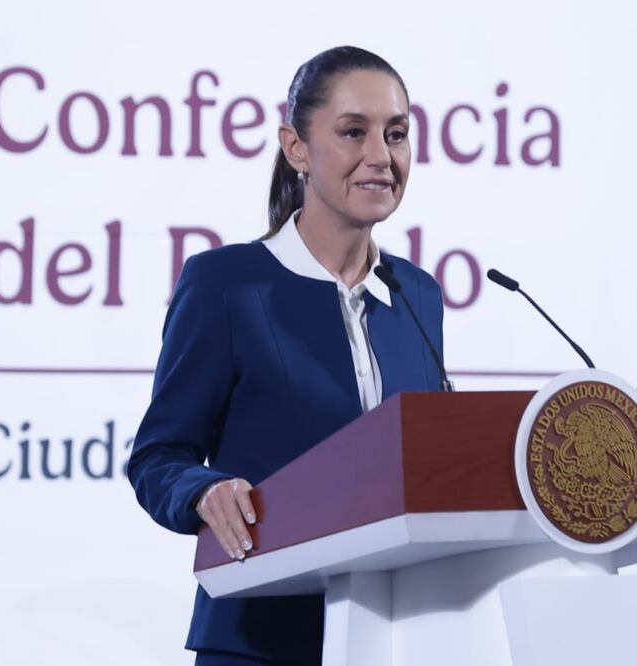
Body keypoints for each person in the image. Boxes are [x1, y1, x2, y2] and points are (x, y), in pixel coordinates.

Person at [126, 46, 445, 665]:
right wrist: (205, 491)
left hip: (400, 638)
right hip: (262, 638)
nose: (381, 156)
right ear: (296, 148)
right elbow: (159, 457)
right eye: (354, 132)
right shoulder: (226, 285)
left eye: (397, 134)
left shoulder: (418, 295)